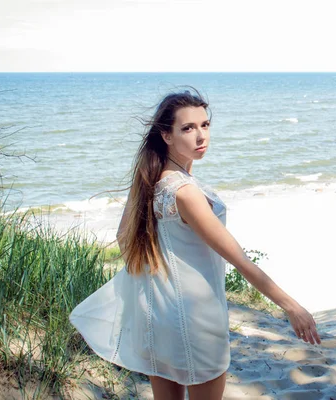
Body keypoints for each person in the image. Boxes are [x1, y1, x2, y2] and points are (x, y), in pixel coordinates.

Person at [69, 89, 321, 400]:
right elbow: (240, 259)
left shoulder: (150, 178)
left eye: (205, 125)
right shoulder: (185, 193)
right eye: (188, 128)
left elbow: (125, 239)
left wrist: (158, 282)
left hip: (158, 317)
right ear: (167, 135)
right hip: (196, 318)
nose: (200, 136)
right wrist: (292, 307)